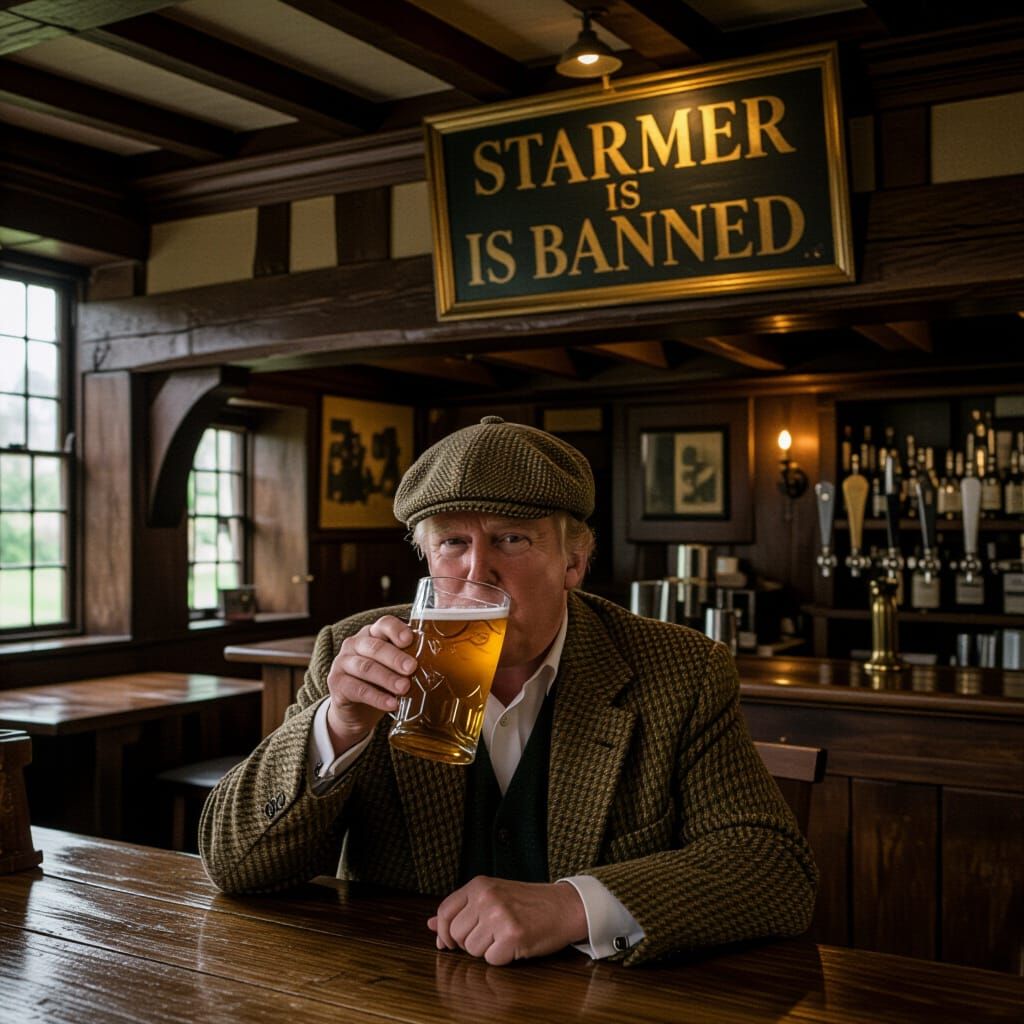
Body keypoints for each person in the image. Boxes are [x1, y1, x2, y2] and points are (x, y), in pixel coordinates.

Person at [200, 416, 817, 966]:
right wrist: (337, 726)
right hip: (399, 993)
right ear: (426, 558)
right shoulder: (357, 654)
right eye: (452, 543)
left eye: (511, 540)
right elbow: (234, 866)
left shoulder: (679, 669)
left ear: (574, 561)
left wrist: (573, 906)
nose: (476, 573)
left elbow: (774, 870)